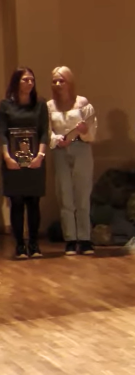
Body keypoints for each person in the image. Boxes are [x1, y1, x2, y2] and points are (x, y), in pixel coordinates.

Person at [48, 66, 98, 255]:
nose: (58, 84)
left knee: (82, 194)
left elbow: (92, 130)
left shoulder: (82, 103)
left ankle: (85, 239)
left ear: (69, 82)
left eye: (62, 80)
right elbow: (47, 131)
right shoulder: (50, 106)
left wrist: (84, 132)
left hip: (81, 148)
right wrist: (56, 140)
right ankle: (70, 239)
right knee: (64, 194)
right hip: (60, 151)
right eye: (55, 81)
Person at [0, 67, 49, 259]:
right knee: (17, 201)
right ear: (16, 82)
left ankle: (34, 244)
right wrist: (6, 157)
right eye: (25, 80)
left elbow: (44, 131)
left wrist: (41, 155)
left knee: (34, 201)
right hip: (12, 160)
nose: (30, 83)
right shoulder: (5, 106)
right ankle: (20, 245)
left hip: (36, 158)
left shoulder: (40, 105)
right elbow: (2, 133)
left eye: (32, 80)